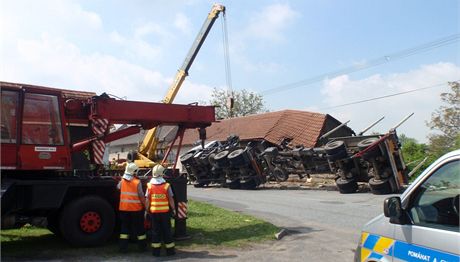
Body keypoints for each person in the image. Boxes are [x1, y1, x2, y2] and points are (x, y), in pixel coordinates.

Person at [145, 165, 176, 256]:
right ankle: (170, 251)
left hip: (154, 213)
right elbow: (171, 199)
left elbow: (147, 199)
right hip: (165, 213)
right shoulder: (166, 186)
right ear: (162, 174)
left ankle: (156, 252)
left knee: (155, 232)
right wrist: (173, 209)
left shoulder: (150, 186)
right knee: (167, 231)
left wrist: (146, 210)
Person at [117, 162, 147, 252]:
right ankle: (142, 247)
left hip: (124, 209)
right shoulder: (137, 182)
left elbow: (118, 188)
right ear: (135, 172)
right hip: (136, 209)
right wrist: (146, 206)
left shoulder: (122, 181)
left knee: (124, 228)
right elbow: (141, 196)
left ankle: (123, 248)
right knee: (140, 229)